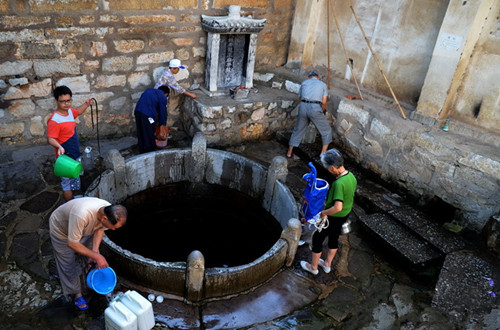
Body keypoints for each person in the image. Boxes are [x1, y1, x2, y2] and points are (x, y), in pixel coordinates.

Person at [49, 197, 127, 311]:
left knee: (93, 257)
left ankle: (90, 278)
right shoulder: (81, 214)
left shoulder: (108, 210)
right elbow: (72, 244)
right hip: (62, 232)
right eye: (113, 227)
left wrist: (94, 252)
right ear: (104, 218)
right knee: (67, 265)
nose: (113, 230)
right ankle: (76, 293)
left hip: (85, 229)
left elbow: (100, 229)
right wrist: (97, 256)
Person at [300, 149, 357, 275]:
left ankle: (313, 267)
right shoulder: (351, 176)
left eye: (327, 168)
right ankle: (327, 264)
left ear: (332, 168)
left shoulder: (338, 183)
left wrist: (324, 212)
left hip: (333, 216)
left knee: (317, 238)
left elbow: (337, 207)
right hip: (344, 216)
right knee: (333, 239)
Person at [47, 85, 95, 202]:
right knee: (67, 183)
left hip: (74, 152)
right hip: (64, 157)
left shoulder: (69, 112)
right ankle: (69, 205)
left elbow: (77, 112)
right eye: (62, 101)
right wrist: (59, 146)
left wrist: (87, 104)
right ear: (56, 101)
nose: (66, 104)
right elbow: (51, 138)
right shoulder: (54, 120)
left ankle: (75, 199)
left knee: (74, 176)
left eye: (68, 100)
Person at [287, 70, 332, 158]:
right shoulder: (322, 84)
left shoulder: (304, 83)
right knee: (326, 131)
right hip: (315, 107)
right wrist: (321, 112)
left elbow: (299, 98)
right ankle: (323, 153)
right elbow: (324, 102)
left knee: (298, 130)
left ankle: (289, 152)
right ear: (317, 77)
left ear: (309, 77)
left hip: (303, 106)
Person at [134, 86, 170, 153]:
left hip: (137, 112)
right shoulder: (163, 97)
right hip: (147, 115)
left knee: (141, 133)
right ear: (166, 94)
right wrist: (162, 130)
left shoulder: (148, 90)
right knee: (149, 134)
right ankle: (150, 153)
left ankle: (141, 151)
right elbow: (162, 113)